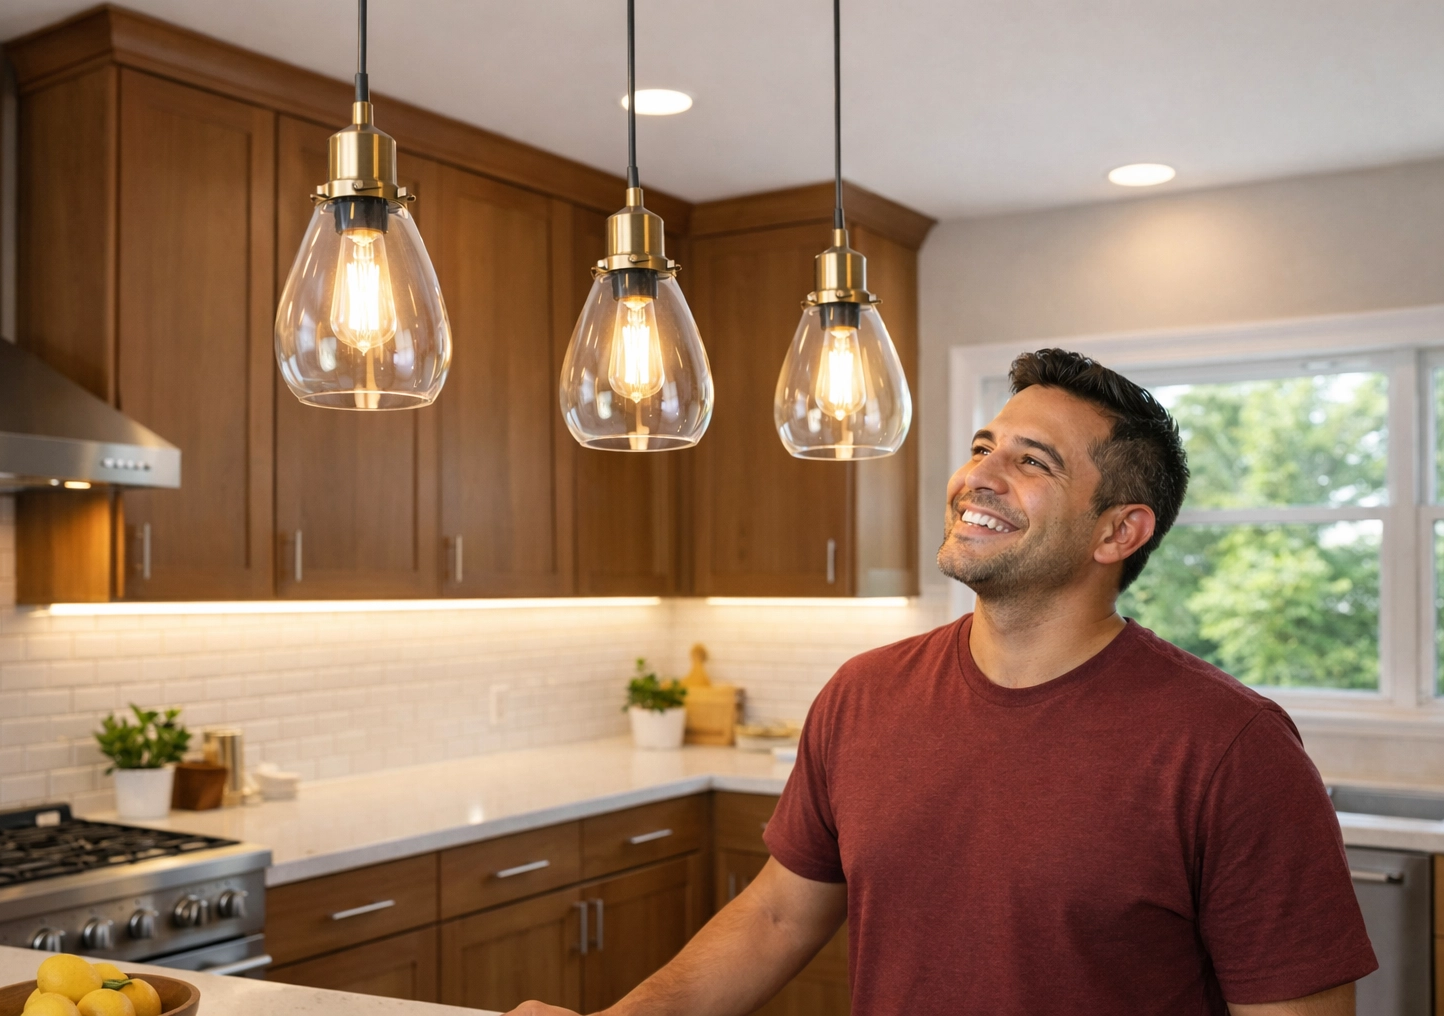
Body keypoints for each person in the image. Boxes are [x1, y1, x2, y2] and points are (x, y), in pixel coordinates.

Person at [507, 348, 1376, 1016]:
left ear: (1120, 532)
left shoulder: (1229, 748)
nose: (978, 477)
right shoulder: (864, 695)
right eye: (983, 446)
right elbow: (776, 917)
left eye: (1034, 462)